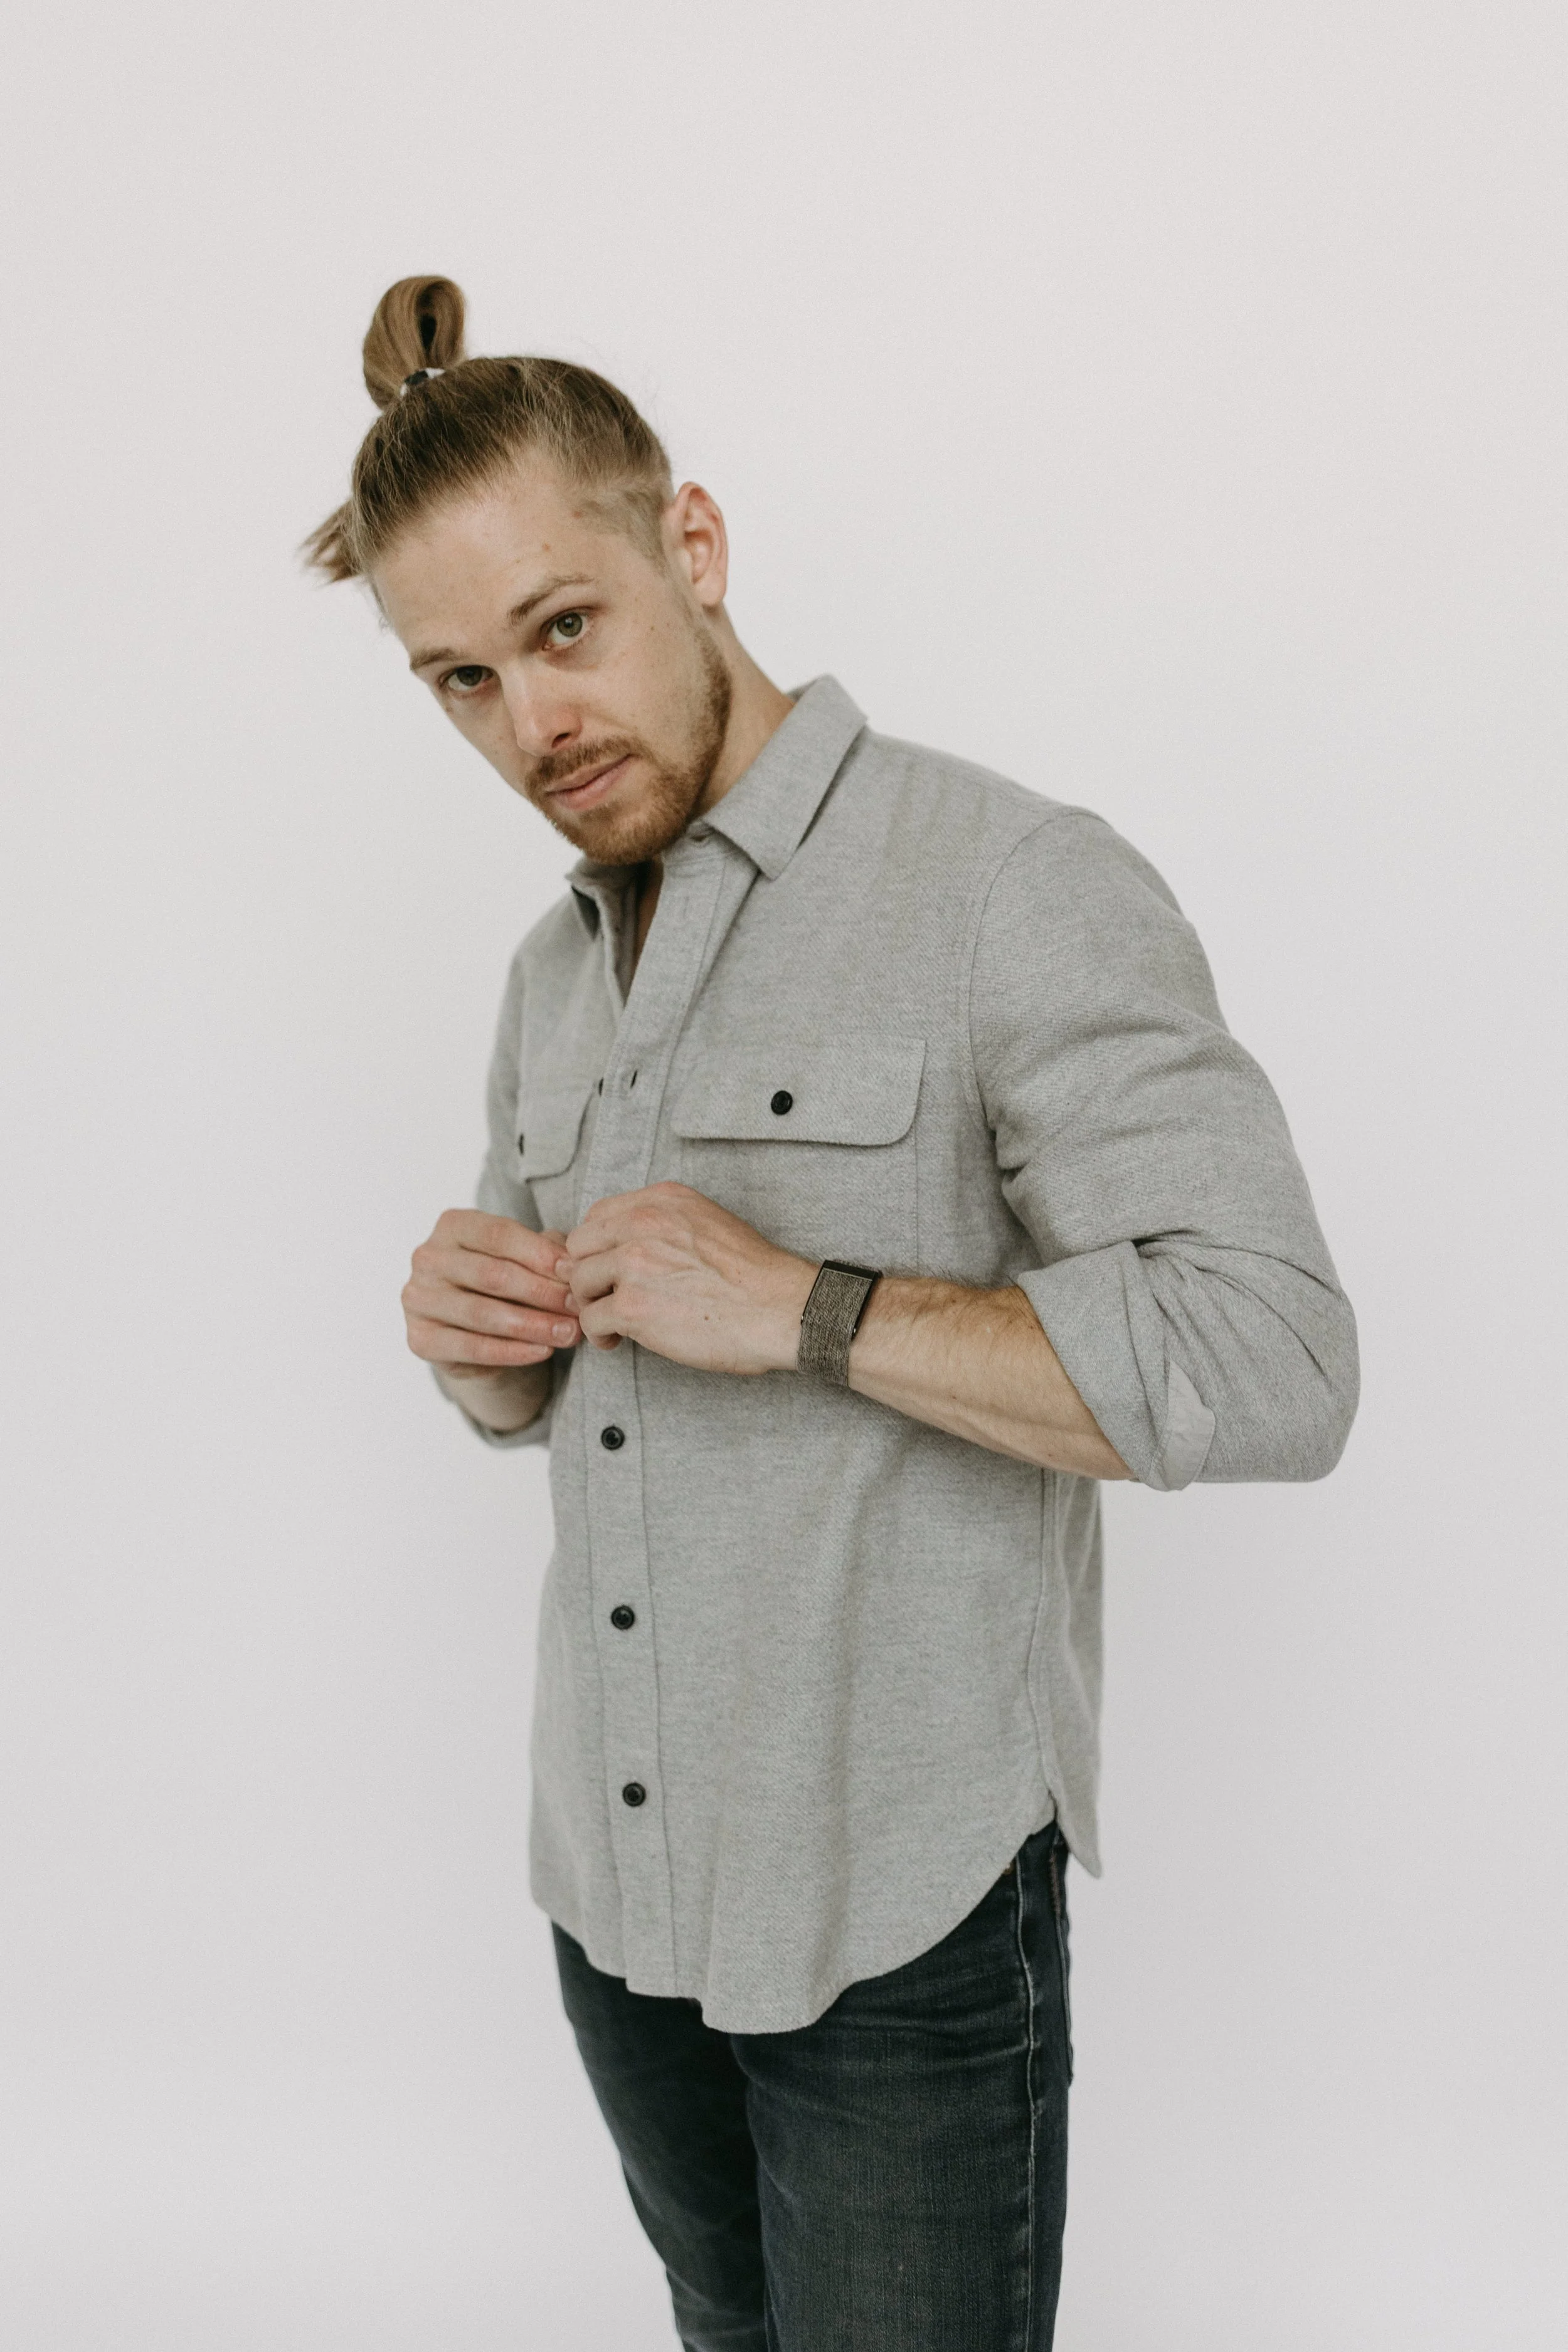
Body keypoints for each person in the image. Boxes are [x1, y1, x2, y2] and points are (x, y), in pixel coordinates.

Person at [307, 275, 1359, 2352]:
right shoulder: (551, 970)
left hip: (898, 1920)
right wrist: (486, 1355)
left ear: (689, 547)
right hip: (613, 1903)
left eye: (561, 629)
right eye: (456, 680)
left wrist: (799, 1302)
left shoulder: (1003, 881)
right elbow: (562, 1405)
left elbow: (1276, 1356)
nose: (531, 726)